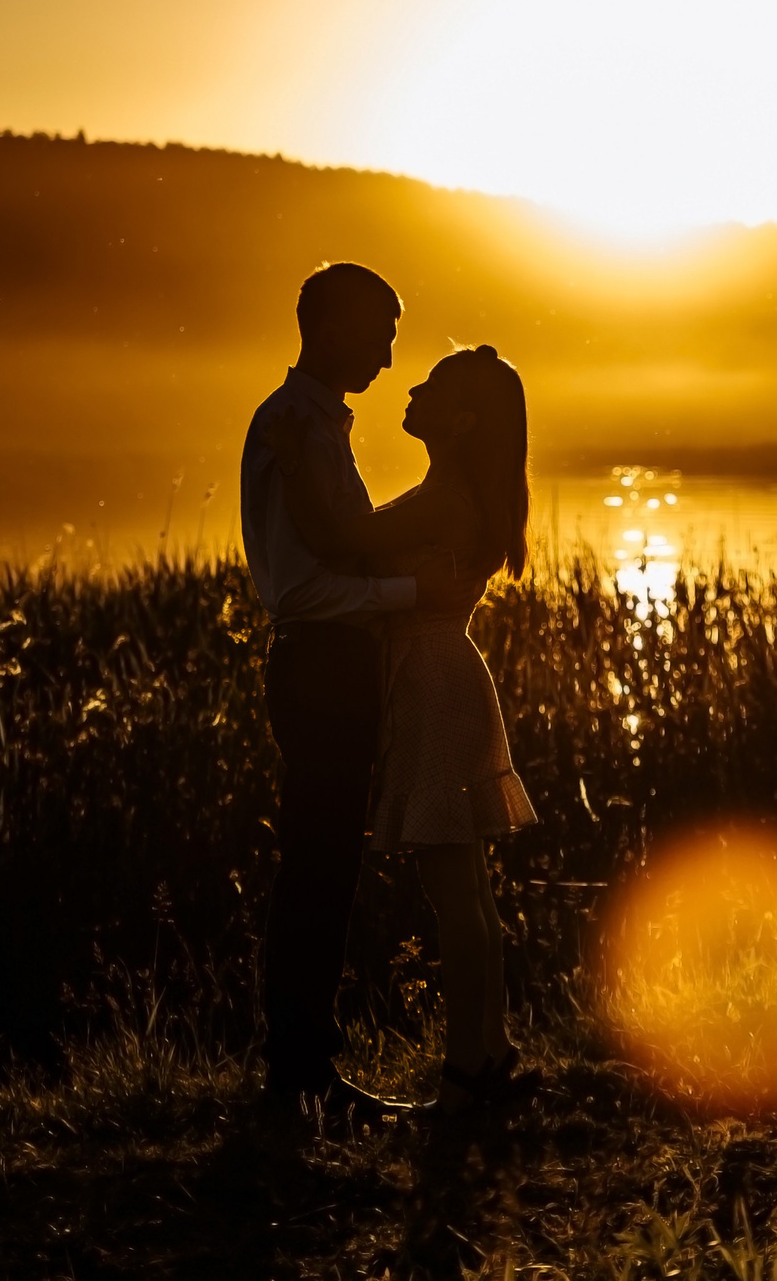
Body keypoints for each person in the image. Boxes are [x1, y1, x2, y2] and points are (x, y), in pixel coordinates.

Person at [275, 342, 539, 1115]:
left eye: (432, 386)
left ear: (459, 420)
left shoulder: (445, 499)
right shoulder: (453, 494)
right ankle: (486, 1055)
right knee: (470, 889)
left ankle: (467, 1071)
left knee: (455, 888)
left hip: (429, 684)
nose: (413, 387)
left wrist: (296, 461)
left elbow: (337, 540)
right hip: (443, 675)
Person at [241, 261, 472, 1127]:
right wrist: (411, 596)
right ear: (332, 326)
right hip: (318, 668)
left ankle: (305, 1065)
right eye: (381, 331)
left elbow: (337, 554)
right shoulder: (293, 425)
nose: (388, 352)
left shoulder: (315, 424)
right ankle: (301, 1074)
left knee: (327, 865)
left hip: (337, 669)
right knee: (316, 866)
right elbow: (298, 590)